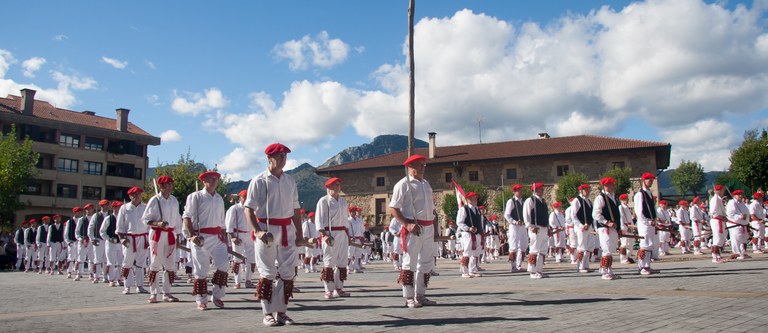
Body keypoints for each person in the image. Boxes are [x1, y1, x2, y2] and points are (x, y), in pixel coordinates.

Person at [244, 143, 307, 326]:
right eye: (279, 156)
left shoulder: (290, 180)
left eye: (285, 156)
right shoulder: (259, 181)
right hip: (267, 229)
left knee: (288, 273)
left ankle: (282, 312)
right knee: (268, 272)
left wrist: (299, 234)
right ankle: (267, 313)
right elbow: (249, 209)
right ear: (269, 158)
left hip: (287, 229)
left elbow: (296, 209)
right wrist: (258, 230)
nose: (282, 159)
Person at [390, 154, 437, 308]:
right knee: (410, 262)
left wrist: (435, 230)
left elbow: (432, 210)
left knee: (426, 262)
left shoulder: (426, 184)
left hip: (428, 227)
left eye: (424, 165)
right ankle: (409, 297)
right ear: (411, 168)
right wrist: (406, 224)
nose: (423, 167)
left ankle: (420, 295)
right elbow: (393, 208)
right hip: (414, 228)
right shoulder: (403, 185)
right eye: (419, 165)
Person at [183, 171, 228, 310]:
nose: (214, 181)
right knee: (201, 269)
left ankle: (217, 295)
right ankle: (201, 298)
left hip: (217, 236)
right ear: (203, 181)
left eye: (215, 179)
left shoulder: (219, 198)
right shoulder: (195, 197)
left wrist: (224, 238)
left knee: (224, 265)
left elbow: (222, 221)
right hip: (200, 236)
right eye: (210, 179)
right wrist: (192, 235)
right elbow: (187, 217)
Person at [144, 175, 182, 303]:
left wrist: (178, 235)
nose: (170, 186)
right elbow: (145, 219)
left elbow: (177, 219)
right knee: (155, 263)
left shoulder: (174, 200)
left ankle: (167, 292)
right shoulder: (154, 200)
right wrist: (157, 223)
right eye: (167, 184)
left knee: (170, 264)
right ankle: (153, 293)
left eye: (171, 184)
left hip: (170, 234)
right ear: (161, 186)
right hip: (157, 234)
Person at [315, 177, 351, 299]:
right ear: (329, 188)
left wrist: (348, 235)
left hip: (342, 232)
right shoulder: (323, 201)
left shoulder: (343, 201)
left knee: (342, 262)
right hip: (330, 233)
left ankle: (339, 288)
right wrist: (324, 235)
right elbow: (319, 220)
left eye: (339, 185)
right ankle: (328, 290)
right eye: (335, 185)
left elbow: (346, 220)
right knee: (329, 261)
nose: (338, 188)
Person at [117, 187, 149, 294]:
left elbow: (149, 223)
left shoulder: (145, 207)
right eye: (134, 194)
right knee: (127, 262)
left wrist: (149, 239)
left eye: (138, 194)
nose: (137, 196)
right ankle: (127, 286)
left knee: (141, 262)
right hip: (129, 238)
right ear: (130, 196)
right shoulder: (124, 208)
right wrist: (121, 239)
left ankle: (140, 286)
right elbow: (120, 224)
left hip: (143, 237)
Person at [592, 177, 621, 280]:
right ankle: (604, 271)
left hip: (613, 227)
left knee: (611, 249)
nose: (612, 186)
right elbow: (596, 214)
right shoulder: (600, 198)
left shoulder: (613, 197)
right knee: (606, 249)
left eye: (612, 184)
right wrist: (606, 222)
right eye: (609, 184)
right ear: (604, 186)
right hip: (605, 228)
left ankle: (609, 270)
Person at [226, 190, 256, 289]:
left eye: (247, 196)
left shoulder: (253, 209)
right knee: (237, 259)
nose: (246, 198)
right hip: (238, 235)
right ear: (240, 198)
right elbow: (229, 223)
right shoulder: (234, 209)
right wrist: (232, 237)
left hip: (250, 235)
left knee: (251, 258)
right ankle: (237, 281)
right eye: (244, 197)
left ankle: (248, 280)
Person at [524, 182, 550, 279]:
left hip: (543, 227)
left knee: (542, 250)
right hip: (536, 228)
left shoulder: (542, 201)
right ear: (536, 190)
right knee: (534, 249)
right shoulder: (530, 200)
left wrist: (548, 227)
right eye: (540, 188)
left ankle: (539, 270)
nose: (542, 190)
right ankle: (532, 271)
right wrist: (530, 226)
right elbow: (526, 215)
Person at [634, 172, 659, 275]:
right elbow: (639, 211)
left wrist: (655, 219)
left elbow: (652, 209)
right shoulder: (640, 194)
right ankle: (642, 266)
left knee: (650, 245)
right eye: (649, 180)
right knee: (644, 244)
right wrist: (647, 221)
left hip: (650, 222)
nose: (651, 181)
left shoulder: (649, 193)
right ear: (643, 180)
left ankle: (647, 265)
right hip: (644, 223)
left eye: (652, 180)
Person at [456, 191, 483, 278]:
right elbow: (459, 222)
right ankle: (464, 271)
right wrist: (468, 228)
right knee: (467, 252)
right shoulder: (464, 209)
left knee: (475, 252)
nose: (475, 199)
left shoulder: (477, 209)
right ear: (468, 199)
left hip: (477, 233)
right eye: (473, 198)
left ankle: (473, 270)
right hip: (467, 234)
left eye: (476, 197)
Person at [571, 184, 594, 273]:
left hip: (589, 227)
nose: (588, 192)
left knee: (589, 246)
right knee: (582, 246)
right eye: (586, 190)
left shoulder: (588, 201)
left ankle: (586, 264)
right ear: (581, 190)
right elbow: (573, 215)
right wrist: (581, 225)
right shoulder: (577, 200)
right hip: (581, 228)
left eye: (588, 190)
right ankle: (580, 266)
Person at [504, 184, 527, 272]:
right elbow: (507, 215)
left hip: (523, 226)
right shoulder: (511, 201)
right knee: (513, 245)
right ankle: (513, 266)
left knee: (523, 245)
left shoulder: (523, 201)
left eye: (521, 190)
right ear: (514, 192)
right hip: (514, 226)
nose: (520, 192)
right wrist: (514, 221)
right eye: (518, 190)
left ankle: (519, 264)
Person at [100, 201, 124, 286]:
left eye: (120, 207)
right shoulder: (108, 218)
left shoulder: (123, 218)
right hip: (111, 243)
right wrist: (109, 239)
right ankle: (111, 279)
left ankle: (119, 278)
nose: (119, 209)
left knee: (120, 262)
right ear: (113, 208)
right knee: (111, 262)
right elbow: (102, 232)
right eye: (117, 207)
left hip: (121, 243)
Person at [89, 200, 110, 283]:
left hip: (108, 239)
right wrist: (92, 238)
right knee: (97, 259)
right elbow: (91, 228)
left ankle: (105, 276)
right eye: (103, 205)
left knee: (106, 259)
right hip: (98, 239)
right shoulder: (96, 215)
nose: (104, 207)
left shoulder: (110, 215)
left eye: (106, 205)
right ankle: (96, 276)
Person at [726, 190, 750, 260]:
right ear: (734, 196)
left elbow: (747, 212)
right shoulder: (732, 202)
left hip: (743, 224)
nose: (740, 196)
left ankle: (743, 252)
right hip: (735, 224)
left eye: (741, 194)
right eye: (738, 194)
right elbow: (730, 214)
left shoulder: (742, 203)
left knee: (743, 239)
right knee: (736, 239)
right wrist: (740, 216)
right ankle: (737, 253)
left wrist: (746, 219)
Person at [709, 185, 728, 263]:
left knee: (721, 238)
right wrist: (722, 217)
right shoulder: (715, 199)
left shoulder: (719, 199)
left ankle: (718, 255)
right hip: (717, 221)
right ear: (718, 191)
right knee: (717, 238)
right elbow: (713, 212)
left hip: (720, 220)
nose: (723, 192)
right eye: (722, 190)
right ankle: (714, 256)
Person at [618, 194, 636, 264]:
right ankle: (622, 258)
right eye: (626, 199)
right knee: (624, 243)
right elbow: (621, 218)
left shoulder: (627, 207)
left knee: (630, 243)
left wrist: (632, 227)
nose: (627, 200)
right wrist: (623, 228)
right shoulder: (620, 207)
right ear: (622, 200)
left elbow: (630, 219)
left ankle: (628, 257)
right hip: (625, 228)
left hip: (630, 227)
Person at [63, 207, 81, 278]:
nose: (79, 213)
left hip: (79, 241)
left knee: (78, 257)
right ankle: (69, 272)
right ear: (74, 212)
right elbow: (66, 233)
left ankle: (77, 271)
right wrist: (68, 242)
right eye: (77, 212)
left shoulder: (82, 220)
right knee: (71, 257)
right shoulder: (69, 221)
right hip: (72, 241)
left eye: (80, 212)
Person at [348, 206, 365, 273]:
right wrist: (350, 237)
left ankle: (356, 268)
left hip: (359, 238)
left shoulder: (359, 220)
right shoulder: (348, 220)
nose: (355, 213)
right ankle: (348, 268)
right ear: (350, 212)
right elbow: (348, 230)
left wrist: (362, 237)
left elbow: (362, 229)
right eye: (353, 211)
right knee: (350, 253)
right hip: (352, 239)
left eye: (355, 211)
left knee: (358, 254)